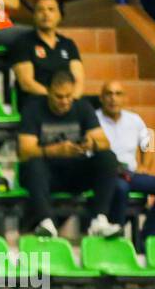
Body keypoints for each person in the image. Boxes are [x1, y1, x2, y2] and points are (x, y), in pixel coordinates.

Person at [17, 69, 122, 239]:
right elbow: (24, 151)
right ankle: (47, 222)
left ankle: (98, 220)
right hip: (46, 175)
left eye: (68, 96)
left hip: (75, 173)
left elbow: (104, 142)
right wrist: (55, 150)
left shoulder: (82, 107)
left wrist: (91, 144)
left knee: (107, 157)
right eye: (59, 96)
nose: (65, 101)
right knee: (33, 163)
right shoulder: (33, 109)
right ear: (49, 92)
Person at [99, 80, 155, 247]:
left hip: (132, 174)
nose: (113, 98)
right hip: (107, 175)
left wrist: (145, 166)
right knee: (121, 188)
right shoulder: (94, 119)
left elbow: (148, 145)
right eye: (109, 94)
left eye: (118, 94)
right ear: (101, 98)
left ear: (125, 98)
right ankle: (116, 241)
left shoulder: (135, 120)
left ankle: (148, 238)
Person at [12, 0, 84, 110]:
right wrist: (56, 99)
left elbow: (79, 80)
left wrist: (70, 100)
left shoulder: (68, 44)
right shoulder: (23, 43)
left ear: (59, 16)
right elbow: (26, 83)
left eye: (51, 10)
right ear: (34, 16)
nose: (46, 14)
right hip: (36, 103)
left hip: (67, 103)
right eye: (40, 10)